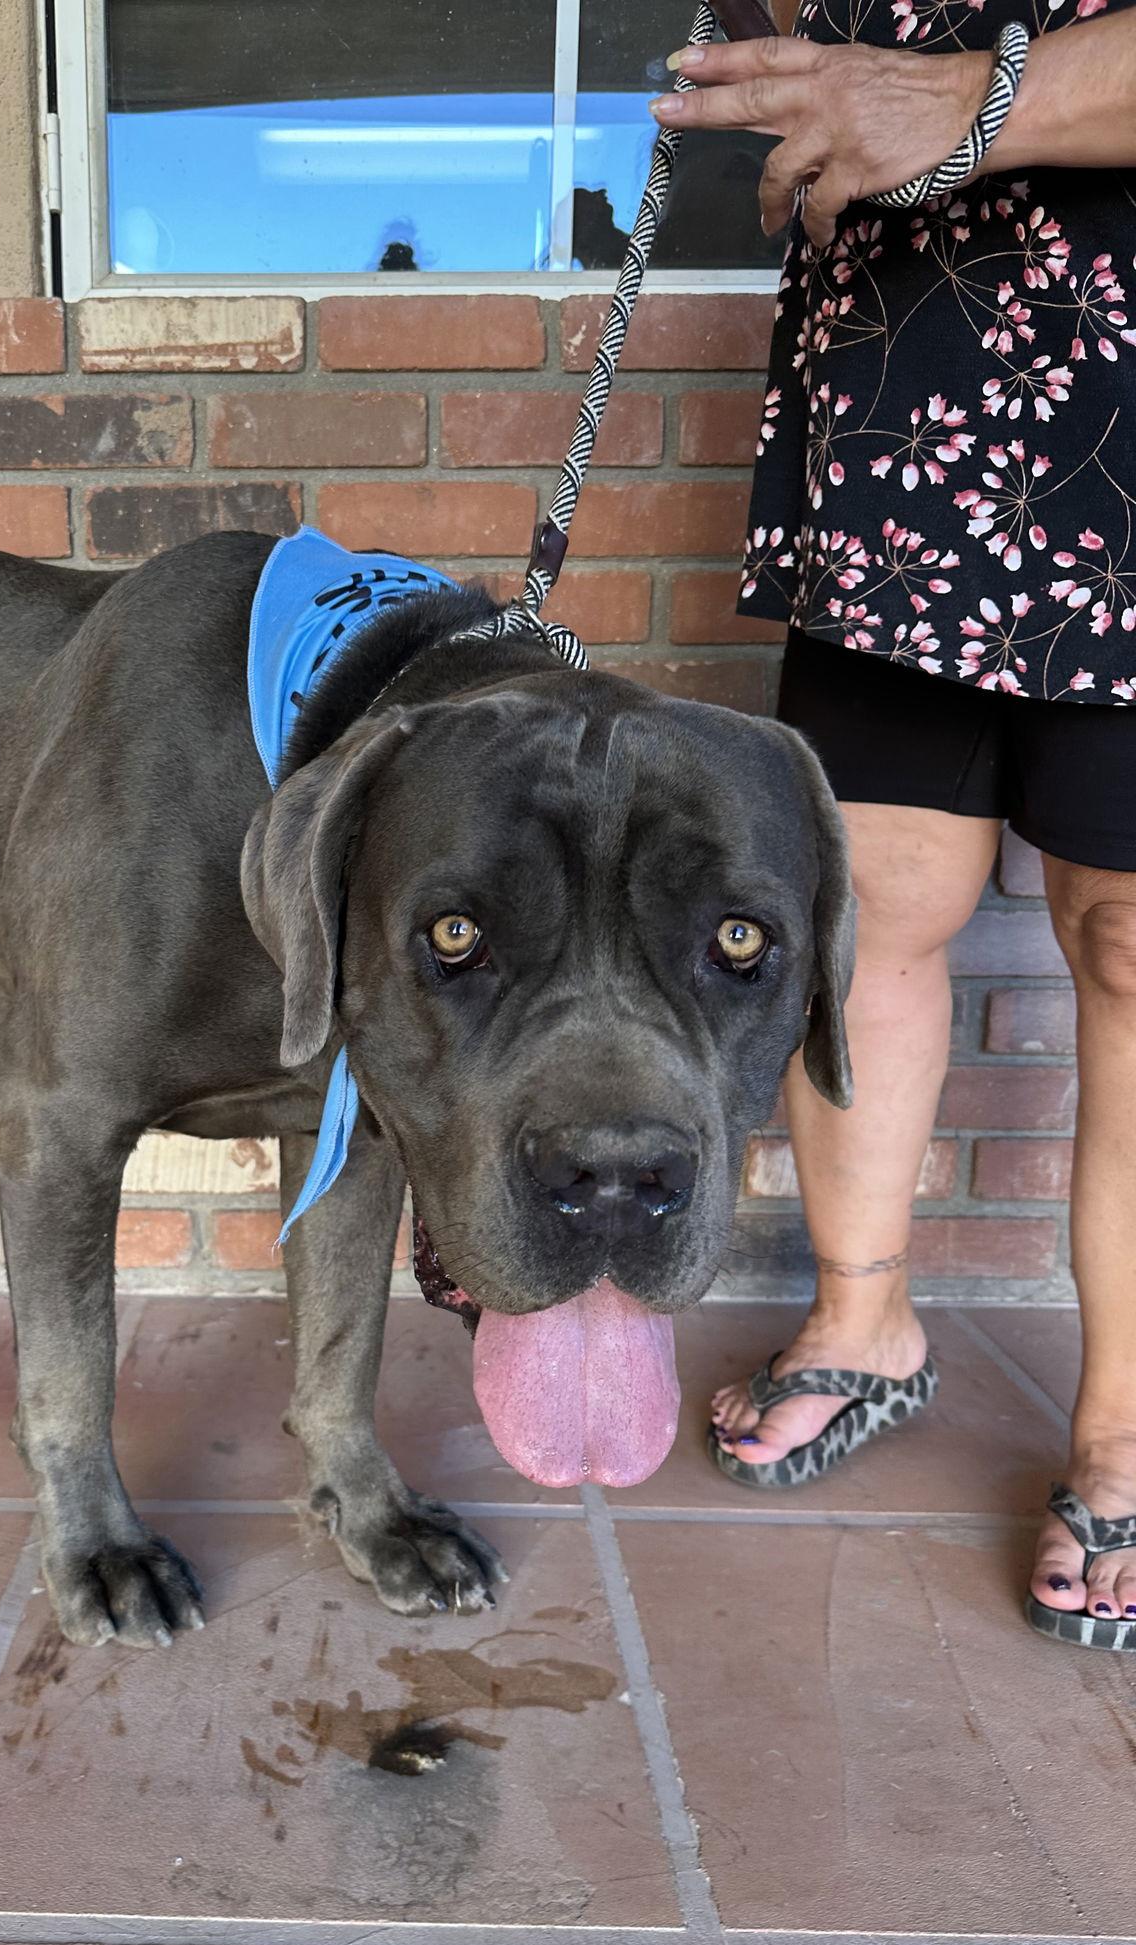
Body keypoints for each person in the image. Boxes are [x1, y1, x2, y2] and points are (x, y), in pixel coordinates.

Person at [648, 1, 1136, 1647]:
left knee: (1133, 937)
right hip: (911, 385)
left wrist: (960, 102)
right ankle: (863, 1321)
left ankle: (1126, 1423)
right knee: (867, 899)